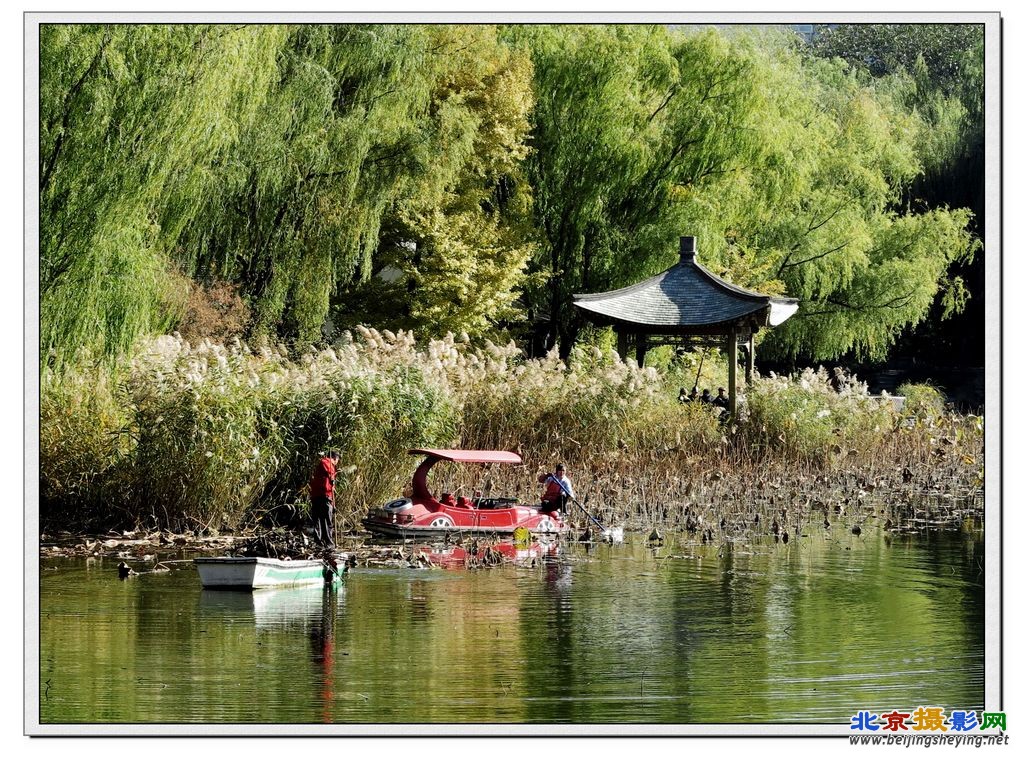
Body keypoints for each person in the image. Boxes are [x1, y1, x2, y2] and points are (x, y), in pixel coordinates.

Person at [309, 450, 340, 547]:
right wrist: (333, 475)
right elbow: (329, 472)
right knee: (324, 520)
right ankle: (327, 544)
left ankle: (321, 543)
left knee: (320, 520)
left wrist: (333, 505)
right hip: (322, 496)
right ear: (335, 459)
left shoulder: (326, 466)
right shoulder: (326, 462)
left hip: (321, 496)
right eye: (337, 461)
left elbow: (331, 488)